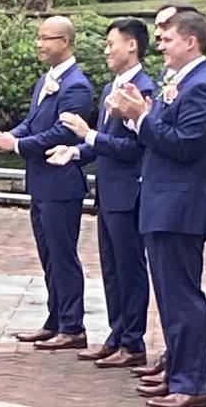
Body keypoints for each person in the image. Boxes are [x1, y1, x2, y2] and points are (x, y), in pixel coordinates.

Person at [110, 10, 206, 407]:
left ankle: (192, 385)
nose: (160, 44)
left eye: (169, 38)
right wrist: (133, 118)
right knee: (168, 298)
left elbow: (183, 144)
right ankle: (177, 371)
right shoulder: (177, 82)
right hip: (162, 202)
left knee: (183, 298)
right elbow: (158, 136)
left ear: (191, 41)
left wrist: (140, 116)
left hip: (182, 206)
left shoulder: (205, 87)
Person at [46, 19, 155, 367]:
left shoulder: (143, 89)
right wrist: (76, 152)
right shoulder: (112, 86)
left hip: (129, 193)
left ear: (132, 46)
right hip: (108, 192)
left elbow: (134, 147)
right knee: (111, 268)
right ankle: (117, 334)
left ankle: (133, 342)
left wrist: (87, 135)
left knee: (129, 268)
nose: (106, 50)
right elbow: (105, 144)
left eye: (112, 43)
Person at [0, 16, 93, 349]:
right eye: (38, 37)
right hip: (41, 183)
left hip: (61, 184)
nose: (39, 44)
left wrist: (16, 146)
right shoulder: (46, 80)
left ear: (66, 42)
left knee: (63, 255)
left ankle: (73, 326)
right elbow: (32, 122)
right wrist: (9, 135)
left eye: (47, 38)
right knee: (48, 256)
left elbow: (63, 132)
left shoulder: (76, 85)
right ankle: (55, 319)